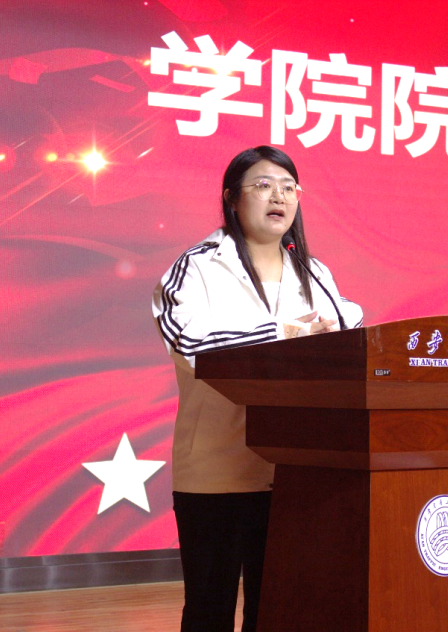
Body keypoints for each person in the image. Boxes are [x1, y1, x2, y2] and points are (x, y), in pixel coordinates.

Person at [152, 146, 363, 631]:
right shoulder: (198, 266)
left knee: (277, 610)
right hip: (217, 470)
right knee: (209, 610)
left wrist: (331, 331)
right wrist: (284, 334)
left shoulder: (314, 273)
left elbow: (348, 324)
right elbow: (190, 344)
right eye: (264, 185)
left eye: (289, 188)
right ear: (232, 197)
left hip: (293, 471)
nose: (279, 197)